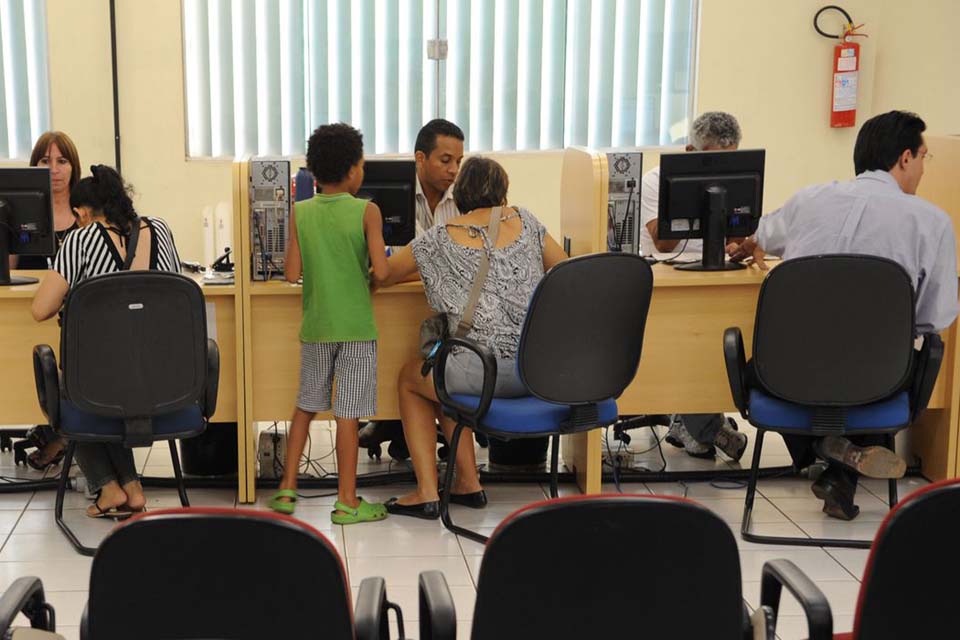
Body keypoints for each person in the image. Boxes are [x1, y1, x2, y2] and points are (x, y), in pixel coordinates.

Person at [727, 110, 959, 520]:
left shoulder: (807, 200)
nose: (924, 168)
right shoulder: (933, 223)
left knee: (759, 368)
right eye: (924, 157)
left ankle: (824, 452)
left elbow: (760, 235)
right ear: (905, 158)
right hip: (879, 377)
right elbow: (933, 318)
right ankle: (839, 463)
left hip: (787, 375)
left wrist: (753, 245)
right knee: (890, 357)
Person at [379, 156, 567, 519]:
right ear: (503, 192)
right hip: (535, 369)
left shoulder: (438, 239)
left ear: (459, 193)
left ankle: (426, 491)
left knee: (411, 377)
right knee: (444, 375)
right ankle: (467, 483)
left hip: (481, 375)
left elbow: (384, 275)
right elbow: (565, 270)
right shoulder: (526, 221)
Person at [31, 165, 182, 519]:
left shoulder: (80, 240)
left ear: (82, 213)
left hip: (100, 385)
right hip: (166, 380)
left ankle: (109, 486)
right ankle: (131, 488)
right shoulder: (160, 229)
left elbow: (40, 309)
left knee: (72, 384)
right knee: (111, 385)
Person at [268, 123, 391, 524]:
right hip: (356, 329)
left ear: (313, 173)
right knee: (348, 415)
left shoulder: (300, 212)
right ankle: (347, 502)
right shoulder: (367, 211)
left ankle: (287, 488)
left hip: (317, 327)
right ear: (356, 169)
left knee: (305, 407)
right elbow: (384, 272)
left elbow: (290, 272)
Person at [637, 112, 748, 461]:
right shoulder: (655, 182)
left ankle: (693, 424)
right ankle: (708, 427)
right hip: (668, 281)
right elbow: (664, 245)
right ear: (689, 151)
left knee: (728, 339)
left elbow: (738, 236)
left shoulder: (736, 180)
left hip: (719, 277)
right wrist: (700, 201)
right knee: (691, 343)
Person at [360, 119, 467, 458]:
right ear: (420, 158)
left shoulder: (465, 201)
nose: (454, 170)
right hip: (394, 305)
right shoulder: (384, 197)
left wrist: (398, 273)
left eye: (459, 162)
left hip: (447, 313)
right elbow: (381, 270)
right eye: (445, 160)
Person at [11, 132, 82, 471]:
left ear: (73, 167)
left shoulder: (87, 215)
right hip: (27, 316)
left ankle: (65, 433)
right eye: (45, 161)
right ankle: (56, 432)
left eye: (62, 161)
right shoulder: (17, 211)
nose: (54, 169)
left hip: (76, 319)